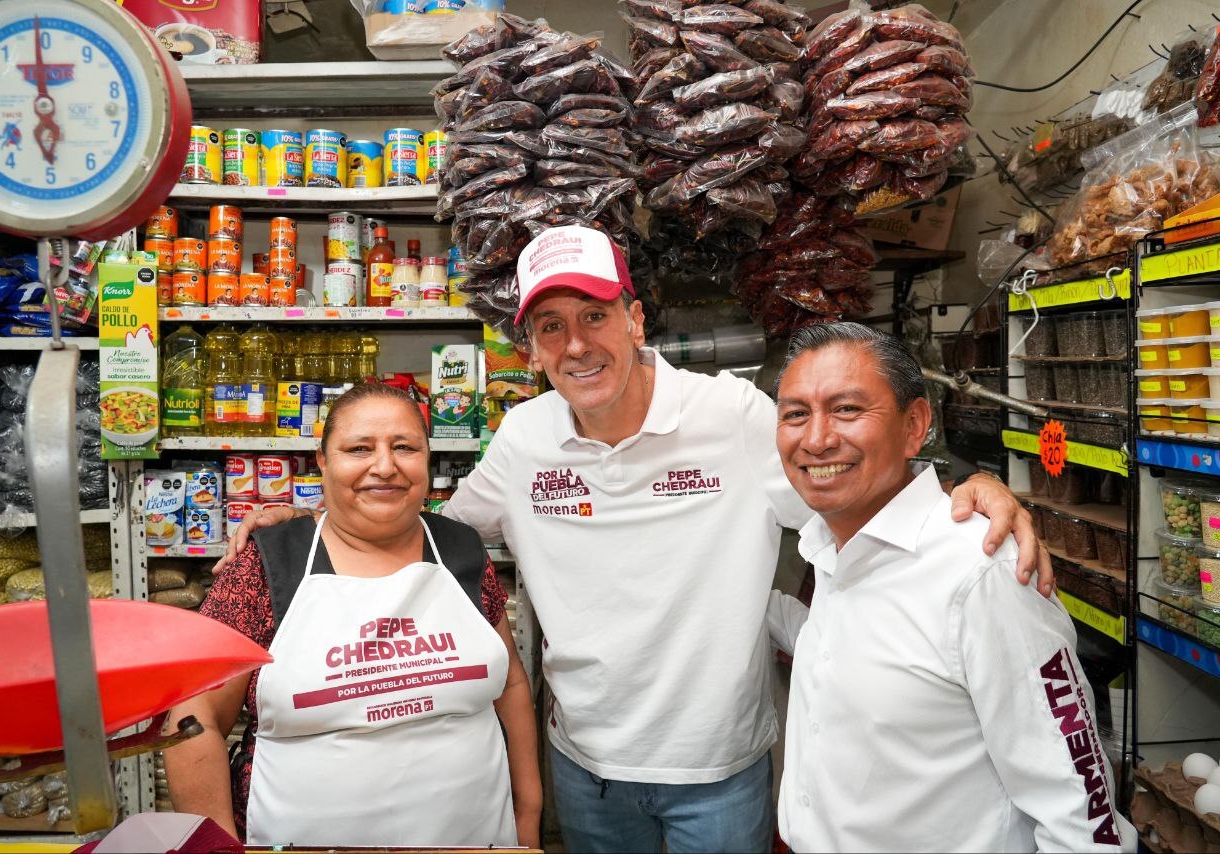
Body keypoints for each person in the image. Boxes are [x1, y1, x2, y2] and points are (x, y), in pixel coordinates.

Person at [221, 225, 1051, 853]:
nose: (577, 344)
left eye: (594, 315)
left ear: (635, 316)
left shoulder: (730, 416)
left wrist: (954, 488)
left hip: (719, 771)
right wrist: (303, 522)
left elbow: (845, 490)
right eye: (551, 327)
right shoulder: (523, 438)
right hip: (583, 770)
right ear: (531, 347)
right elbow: (423, 528)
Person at [765, 322, 1135, 852]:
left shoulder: (982, 572)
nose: (818, 438)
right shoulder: (831, 547)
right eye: (796, 414)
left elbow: (1086, 821)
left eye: (847, 409)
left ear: (914, 424)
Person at [164, 383, 541, 848]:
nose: (384, 466)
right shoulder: (265, 565)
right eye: (359, 448)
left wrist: (528, 812)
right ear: (323, 461)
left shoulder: (460, 548)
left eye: (404, 447)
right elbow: (193, 715)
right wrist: (216, 844)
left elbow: (512, 685)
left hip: (474, 836)